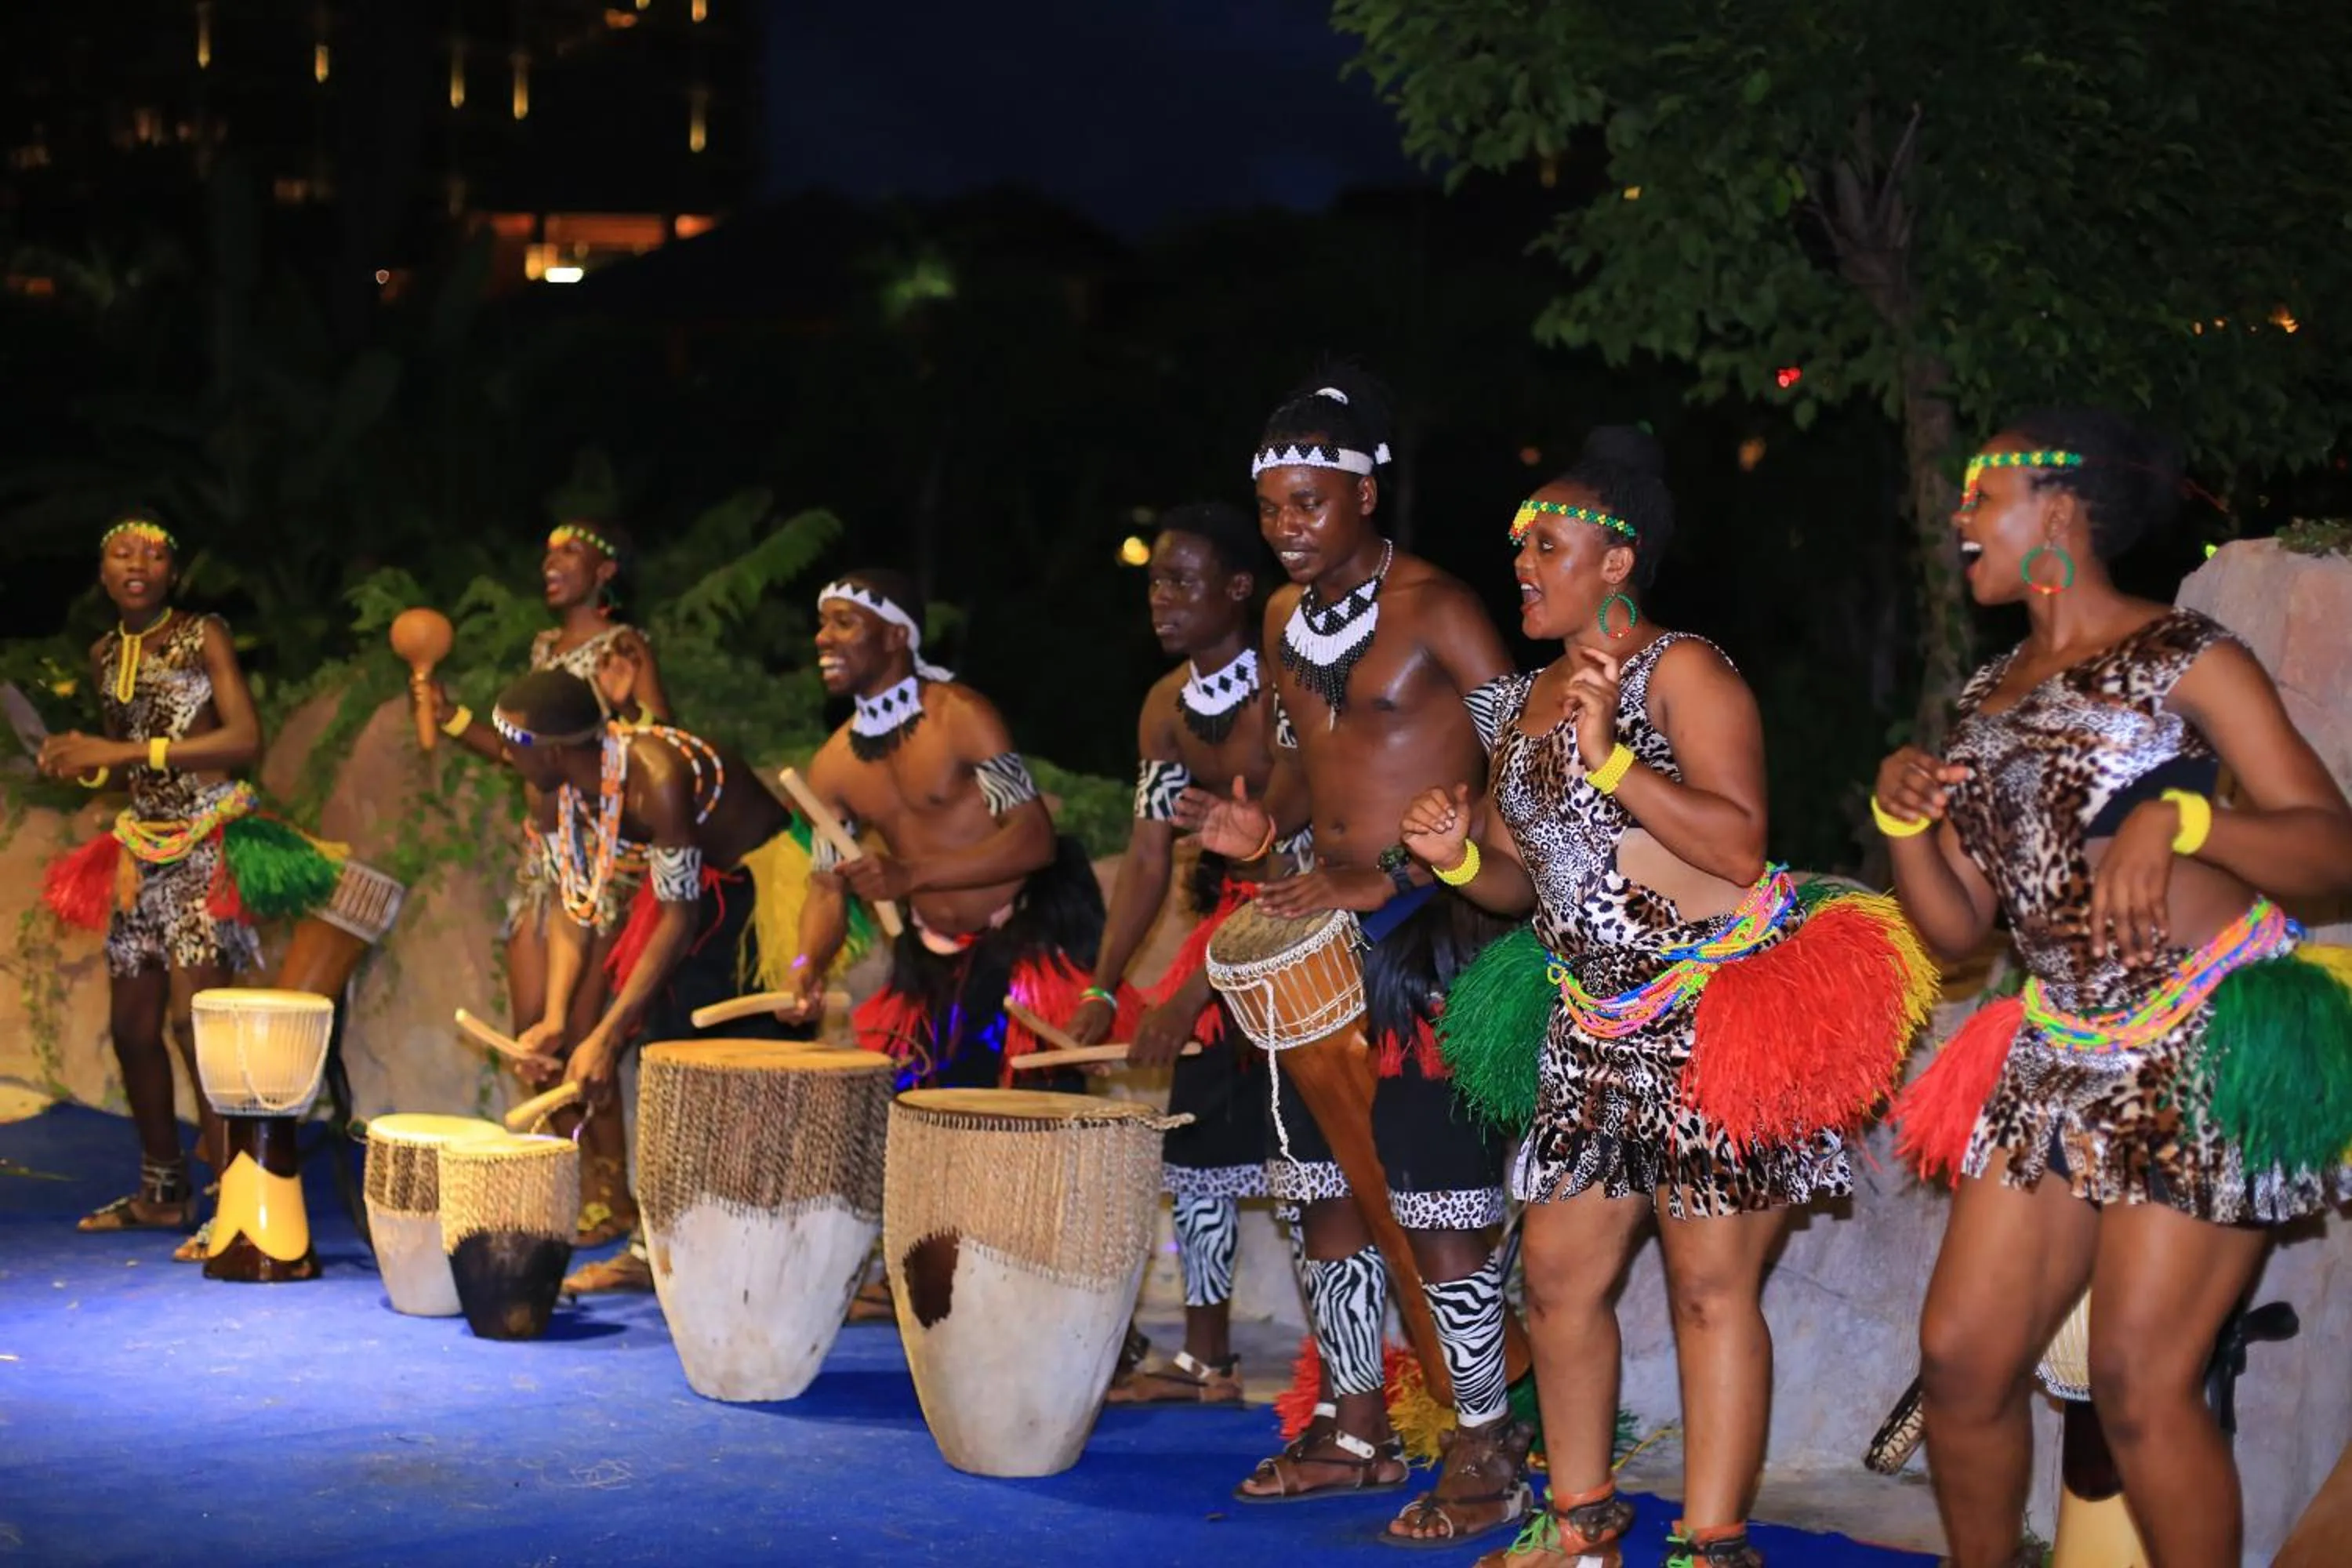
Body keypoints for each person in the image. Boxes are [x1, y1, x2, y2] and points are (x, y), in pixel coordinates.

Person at [1403, 429, 1933, 1568]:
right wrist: (1459, 857)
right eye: (1519, 546)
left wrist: (1613, 760)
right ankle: (1582, 1523)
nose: (1523, 565)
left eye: (1547, 545)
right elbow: (1521, 878)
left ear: (1618, 561)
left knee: (1707, 1286)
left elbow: (1739, 845)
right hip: (1590, 1029)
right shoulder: (1523, 703)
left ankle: (1711, 1543)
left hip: (1715, 1021)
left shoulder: (1682, 671)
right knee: (1557, 1280)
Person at [1879, 413, 2352, 1568]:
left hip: (2200, 1038)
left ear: (2059, 510)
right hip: (2054, 1048)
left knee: (2140, 1380)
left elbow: (2333, 848)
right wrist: (1901, 826)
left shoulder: (2186, 654)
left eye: (1982, 495)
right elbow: (1959, 927)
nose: (1960, 519)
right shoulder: (1988, 696)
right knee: (1961, 1363)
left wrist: (2187, 820)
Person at [1178, 368, 1530, 1548]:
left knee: (1435, 1203)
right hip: (1320, 934)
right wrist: (1260, 823)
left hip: (1434, 930)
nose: (1286, 526)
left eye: (1309, 502)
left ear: (1366, 495)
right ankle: (1355, 1424)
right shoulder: (1282, 619)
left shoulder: (1442, 609)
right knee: (1323, 1195)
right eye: (1271, 506)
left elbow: (1526, 769)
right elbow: (1297, 768)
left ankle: (1487, 1448)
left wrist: (1401, 873)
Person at [40, 511, 343, 1257]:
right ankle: (162, 1193)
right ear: (103, 572)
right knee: (131, 1028)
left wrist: (122, 751)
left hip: (207, 839)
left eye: (153, 555)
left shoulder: (202, 634)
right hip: (140, 848)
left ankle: (236, 1201)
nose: (137, 564)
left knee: (194, 1024)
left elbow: (242, 740)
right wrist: (87, 765)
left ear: (173, 574)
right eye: (122, 552)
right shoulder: (105, 653)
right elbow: (131, 761)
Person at [488, 669, 821, 1292]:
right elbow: (573, 904)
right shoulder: (550, 791)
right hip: (686, 895)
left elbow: (681, 916)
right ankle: (658, 1249)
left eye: (514, 744)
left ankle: (766, 1254)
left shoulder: (655, 779)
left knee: (746, 1069)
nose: (505, 756)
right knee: (666, 1055)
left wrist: (607, 1035)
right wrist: (558, 1019)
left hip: (759, 886)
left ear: (554, 751)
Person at [1065, 502, 1288, 1406]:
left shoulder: (1286, 687)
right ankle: (1207, 1358)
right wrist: (1102, 985)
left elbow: (1318, 836)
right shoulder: (1166, 708)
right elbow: (1151, 853)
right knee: (1196, 1149)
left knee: (1317, 1163)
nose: (1162, 597)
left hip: (1312, 919)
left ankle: (1351, 1385)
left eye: (1183, 581)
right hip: (1229, 926)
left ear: (1238, 588)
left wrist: (1193, 988)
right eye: (1156, 580)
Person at [417, 517, 669, 1246]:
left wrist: (625, 705)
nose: (551, 563)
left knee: (584, 1033)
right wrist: (453, 718)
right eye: (549, 552)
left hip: (607, 860)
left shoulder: (624, 648)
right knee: (536, 1025)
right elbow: (520, 751)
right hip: (546, 858)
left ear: (605, 572)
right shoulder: (543, 650)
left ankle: (611, 1193)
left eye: (571, 553)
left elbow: (659, 743)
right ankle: (571, 1177)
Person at [772, 570, 1102, 1095]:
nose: (822, 638)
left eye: (844, 623)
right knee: (928, 1113)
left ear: (896, 636)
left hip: (1022, 935)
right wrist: (806, 964)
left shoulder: (962, 717)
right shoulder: (832, 767)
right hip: (931, 958)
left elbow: (1035, 838)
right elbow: (827, 885)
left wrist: (910, 874)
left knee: (1030, 1124)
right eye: (822, 623)